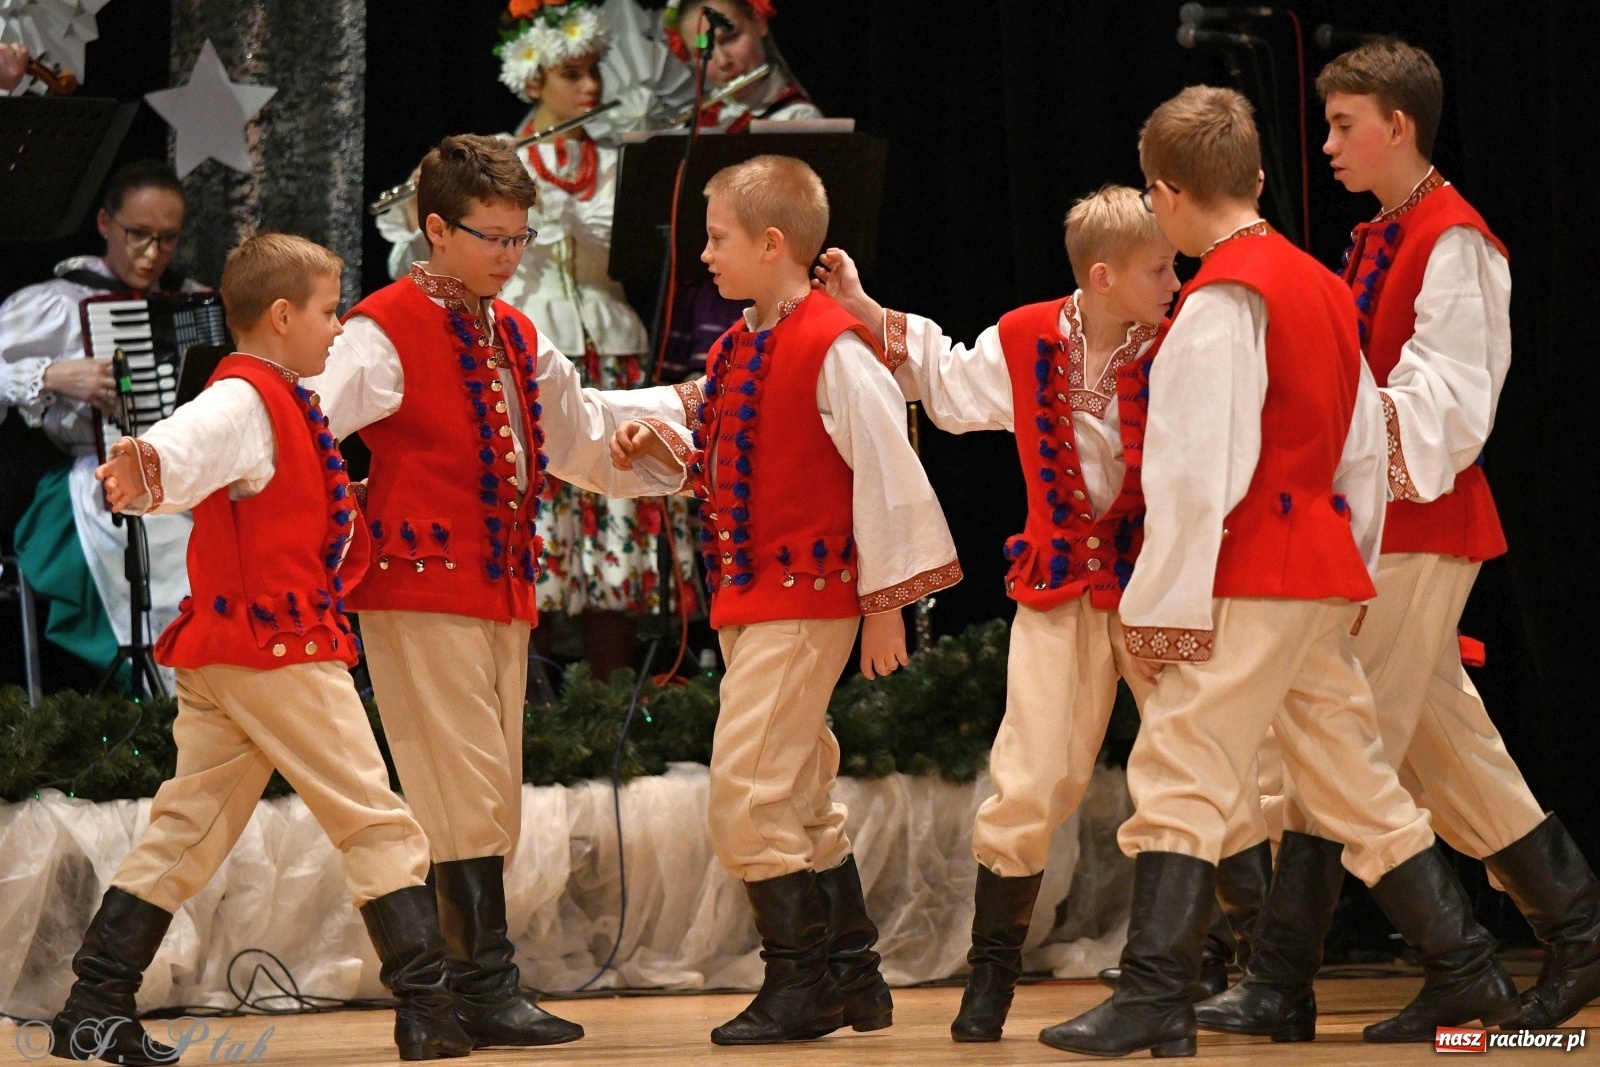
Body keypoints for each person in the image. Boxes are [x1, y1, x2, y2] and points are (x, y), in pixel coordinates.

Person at [1037, 86, 1517, 1058]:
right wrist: (1355, 568)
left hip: (1246, 572)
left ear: (1163, 195)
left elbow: (1189, 473)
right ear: (1255, 178)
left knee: (1178, 765)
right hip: (1320, 565)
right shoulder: (1314, 282)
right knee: (1352, 778)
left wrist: (1161, 612)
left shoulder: (1220, 301)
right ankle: (1470, 969)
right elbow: (1358, 447)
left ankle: (1155, 995)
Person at [1199, 38, 1600, 1041]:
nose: (1327, 144)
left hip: (1419, 524)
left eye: (1342, 125)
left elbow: (1451, 410)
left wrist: (1322, 420)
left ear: (1398, 127)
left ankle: (1285, 977)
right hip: (1382, 526)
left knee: (1333, 739)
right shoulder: (1383, 232)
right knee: (1445, 752)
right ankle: (1576, 933)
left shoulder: (1454, 241)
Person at [814, 188, 1275, 1041]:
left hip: (1159, 589)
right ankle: (991, 975)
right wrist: (866, 311)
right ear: (1102, 276)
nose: (1177, 279)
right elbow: (950, 385)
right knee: (1029, 776)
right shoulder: (1030, 337)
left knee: (1207, 768)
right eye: (1159, 267)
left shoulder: (1184, 343)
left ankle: (1255, 966)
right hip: (1060, 589)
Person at [306, 133, 693, 1050]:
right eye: (494, 237)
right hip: (416, 585)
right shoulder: (382, 327)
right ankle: (474, 987)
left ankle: (467, 990)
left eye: (522, 238)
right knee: (462, 789)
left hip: (498, 587)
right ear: (436, 229)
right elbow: (302, 423)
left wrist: (671, 432)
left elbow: (584, 432)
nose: (512, 256)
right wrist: (346, 507)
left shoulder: (515, 332)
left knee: (492, 795)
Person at [49, 234, 471, 1066]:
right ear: (282, 316)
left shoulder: (280, 395)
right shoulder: (245, 396)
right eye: (327, 309)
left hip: (228, 652)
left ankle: (93, 1003)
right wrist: (150, 462)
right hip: (277, 650)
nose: (338, 325)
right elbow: (192, 438)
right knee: (375, 818)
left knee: (188, 825)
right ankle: (429, 1009)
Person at [613, 154, 961, 1045]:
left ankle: (799, 981)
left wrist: (887, 601)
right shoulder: (743, 345)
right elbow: (745, 465)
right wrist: (670, 451)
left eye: (718, 238)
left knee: (748, 791)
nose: (704, 255)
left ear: (773, 244)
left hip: (804, 600)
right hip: (759, 598)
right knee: (799, 788)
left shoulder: (831, 346)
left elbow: (890, 471)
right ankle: (853, 974)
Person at [377, 0, 696, 680]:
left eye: (593, 74)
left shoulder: (613, 161)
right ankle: (535, 696)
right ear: (534, 80)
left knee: (610, 511)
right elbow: (411, 260)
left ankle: (611, 695)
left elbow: (632, 247)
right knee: (536, 515)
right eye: (573, 75)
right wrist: (421, 216)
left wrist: (568, 212)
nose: (590, 90)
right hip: (523, 352)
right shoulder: (491, 159)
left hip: (607, 343)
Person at [0, 161, 199, 685]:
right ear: (105, 224)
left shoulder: (191, 301)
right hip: (91, 483)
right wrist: (51, 374)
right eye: (137, 234)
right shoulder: (57, 304)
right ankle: (167, 701)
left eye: (167, 239)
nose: (151, 254)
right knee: (170, 552)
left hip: (186, 479)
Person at [657, 0, 824, 383]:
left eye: (730, 37)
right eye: (705, 52)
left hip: (773, 299)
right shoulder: (704, 123)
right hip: (708, 300)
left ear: (760, 22)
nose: (722, 61)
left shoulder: (799, 120)